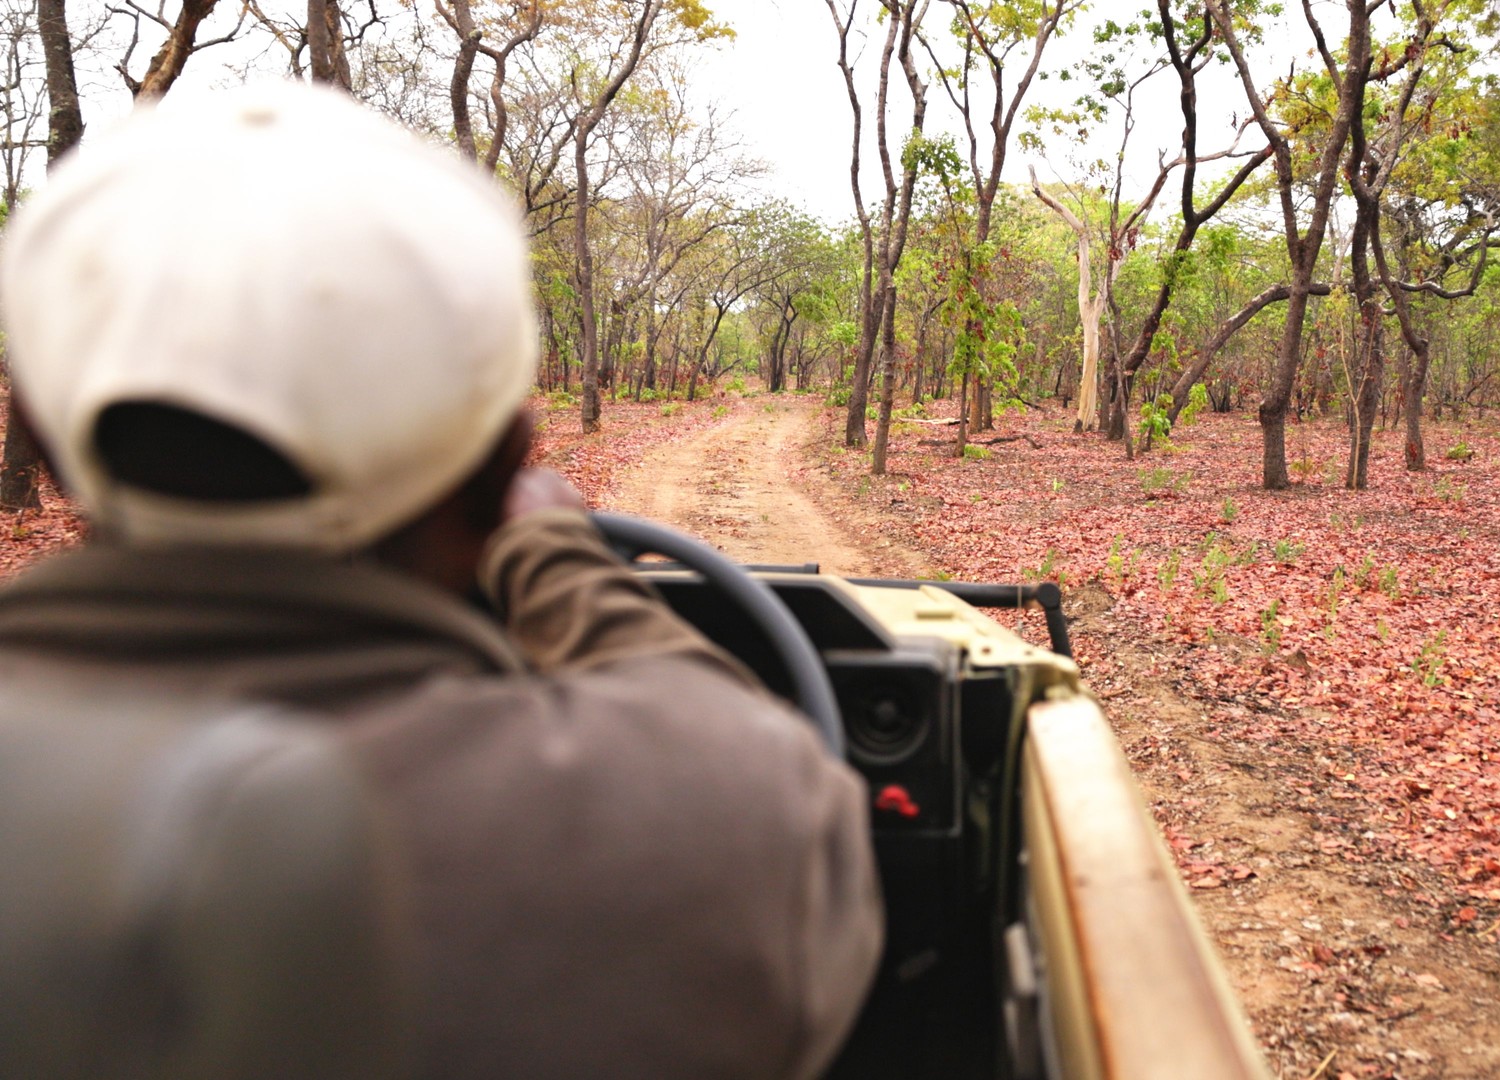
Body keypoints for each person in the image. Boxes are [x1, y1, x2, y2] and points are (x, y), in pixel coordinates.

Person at [0, 83, 881, 1078]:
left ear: (37, 431)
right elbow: (722, 743)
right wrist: (553, 554)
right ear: (508, 457)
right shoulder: (719, 821)